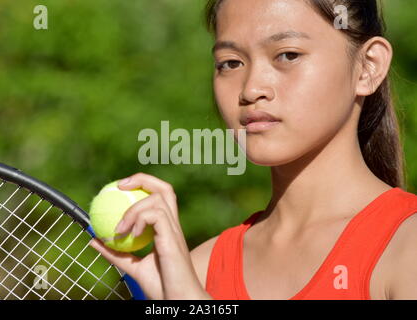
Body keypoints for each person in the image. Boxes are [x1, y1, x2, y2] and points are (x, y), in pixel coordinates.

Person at [89, 0, 417, 300]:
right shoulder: (193, 270)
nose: (251, 89)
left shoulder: (407, 246)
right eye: (230, 63)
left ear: (368, 67)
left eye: (287, 55)